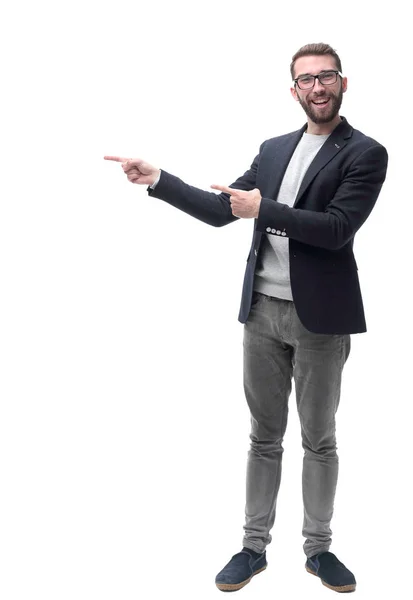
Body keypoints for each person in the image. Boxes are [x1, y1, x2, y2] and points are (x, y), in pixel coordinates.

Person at [104, 42, 388, 594]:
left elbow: (335, 228)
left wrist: (265, 211)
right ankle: (253, 547)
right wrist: (160, 179)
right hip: (260, 315)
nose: (318, 87)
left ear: (343, 83)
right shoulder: (274, 148)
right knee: (263, 437)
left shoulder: (365, 152)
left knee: (320, 439)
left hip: (320, 321)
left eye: (327, 76)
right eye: (307, 80)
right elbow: (221, 210)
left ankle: (318, 549)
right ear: (294, 91)